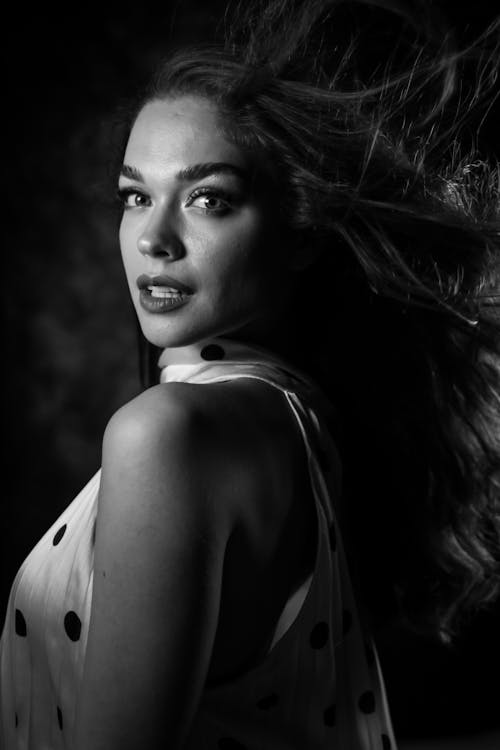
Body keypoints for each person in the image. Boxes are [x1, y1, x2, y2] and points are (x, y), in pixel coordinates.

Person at [1, 1, 499, 748]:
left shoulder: (168, 436)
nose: (154, 238)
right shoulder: (302, 422)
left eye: (208, 199)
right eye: (135, 196)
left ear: (299, 231)